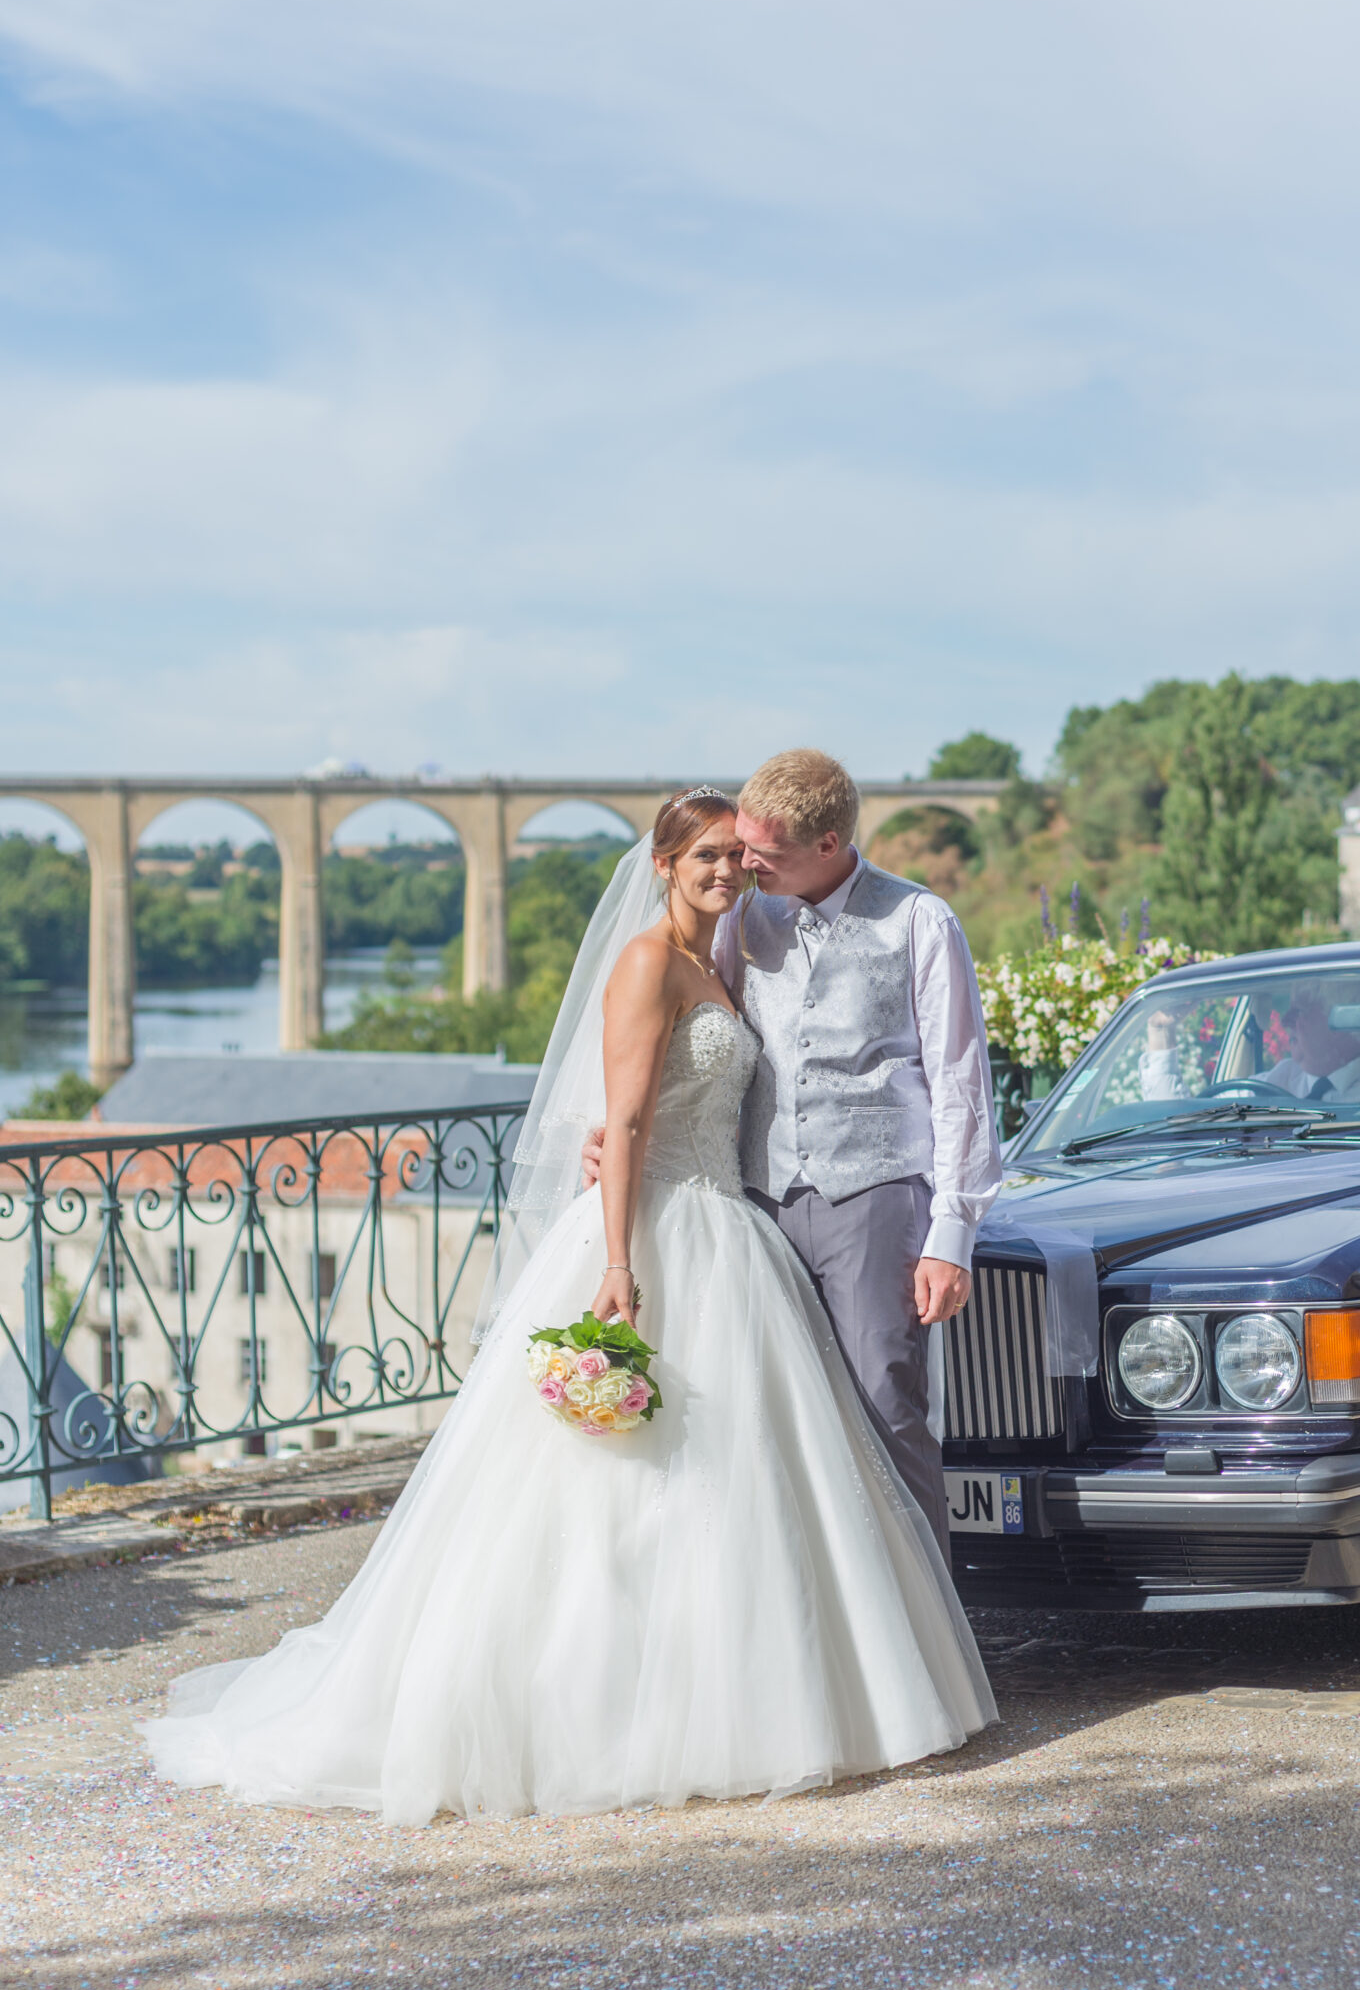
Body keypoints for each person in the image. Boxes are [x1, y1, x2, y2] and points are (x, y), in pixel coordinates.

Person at [142, 790, 996, 1825]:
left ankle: (759, 1683)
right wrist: (619, 1260)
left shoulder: (731, 951)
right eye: (707, 857)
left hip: (731, 1224)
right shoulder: (646, 961)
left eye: (737, 857)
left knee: (741, 1474)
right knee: (617, 1483)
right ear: (663, 864)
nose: (729, 872)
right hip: (654, 1234)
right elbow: (625, 1118)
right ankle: (599, 1705)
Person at [586, 749, 1005, 1558]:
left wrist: (951, 1233)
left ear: (827, 844)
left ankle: (923, 1617)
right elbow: (695, 1043)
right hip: (755, 1199)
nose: (743, 865)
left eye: (760, 853)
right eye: (734, 849)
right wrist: (623, 1133)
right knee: (775, 1414)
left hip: (876, 1195)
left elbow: (961, 1083)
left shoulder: (919, 921)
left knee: (884, 1402)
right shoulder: (742, 918)